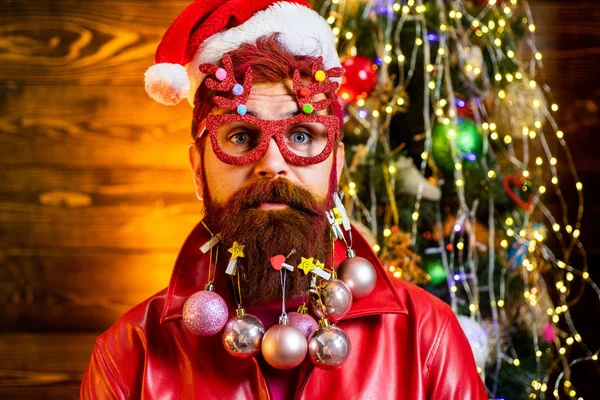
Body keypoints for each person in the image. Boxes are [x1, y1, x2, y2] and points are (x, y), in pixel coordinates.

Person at [80, 1, 488, 399]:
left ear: (336, 165)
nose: (272, 164)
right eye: (240, 136)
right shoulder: (130, 357)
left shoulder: (426, 338)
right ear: (198, 170)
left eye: (301, 136)